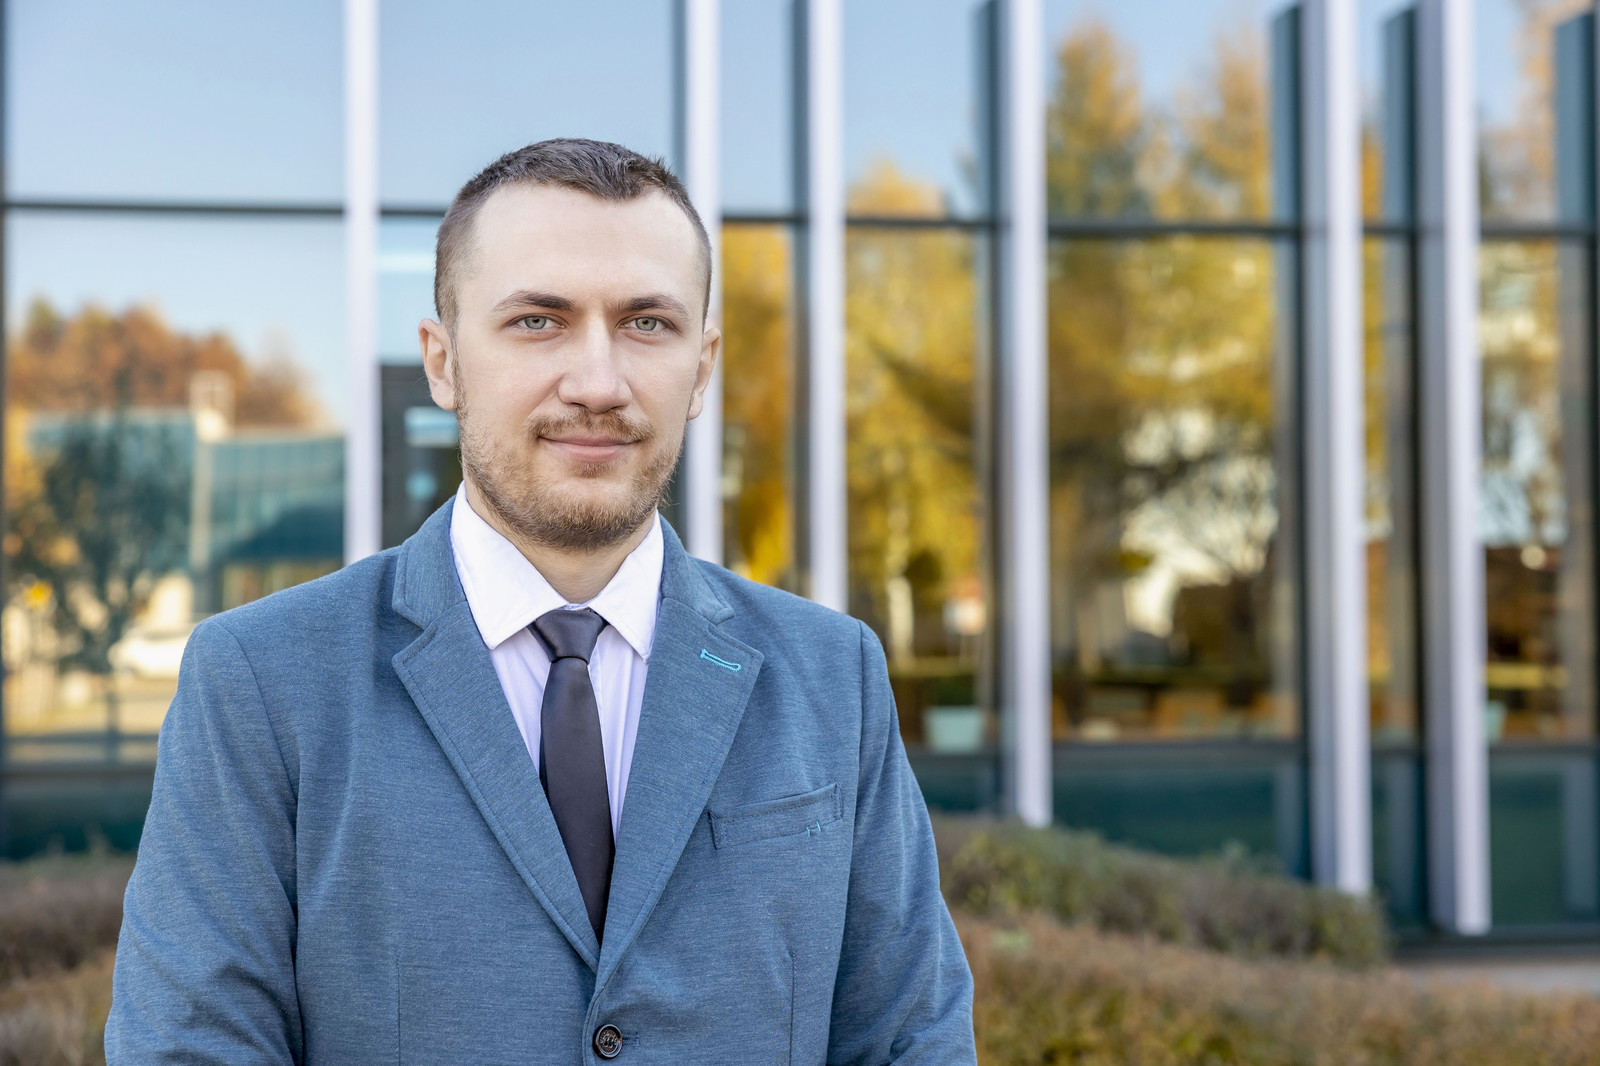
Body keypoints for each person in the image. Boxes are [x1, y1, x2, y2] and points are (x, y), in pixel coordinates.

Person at [106, 138, 976, 1064]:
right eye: (537, 321)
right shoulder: (261, 683)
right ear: (442, 362)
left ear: (702, 366)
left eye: (647, 323)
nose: (598, 384)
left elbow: (910, 1040)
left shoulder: (835, 676)